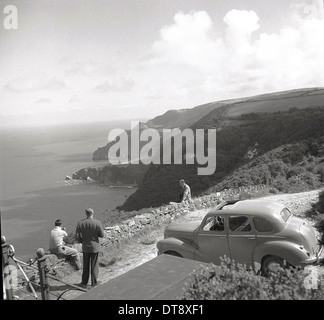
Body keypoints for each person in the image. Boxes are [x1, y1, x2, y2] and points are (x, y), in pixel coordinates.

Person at [76, 208, 105, 288]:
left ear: (86, 214)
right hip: (95, 246)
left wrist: (81, 241)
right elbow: (102, 235)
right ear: (92, 213)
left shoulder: (80, 223)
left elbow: (77, 236)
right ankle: (94, 282)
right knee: (94, 265)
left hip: (85, 247)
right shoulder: (97, 223)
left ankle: (84, 282)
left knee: (86, 265)